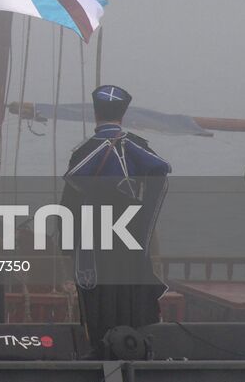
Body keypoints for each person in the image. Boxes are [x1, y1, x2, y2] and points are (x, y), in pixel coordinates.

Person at [59, 84, 170, 357]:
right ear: (123, 114)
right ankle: (134, 358)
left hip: (94, 248)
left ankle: (102, 360)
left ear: (96, 114)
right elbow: (156, 189)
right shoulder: (140, 149)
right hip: (131, 243)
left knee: (99, 312)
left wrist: (66, 248)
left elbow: (68, 209)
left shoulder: (83, 153)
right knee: (132, 310)